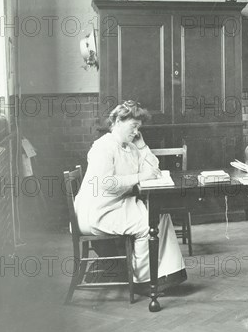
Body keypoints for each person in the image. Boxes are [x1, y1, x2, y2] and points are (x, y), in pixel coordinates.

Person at [74, 100, 186, 289]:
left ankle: (168, 274)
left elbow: (154, 169)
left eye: (138, 128)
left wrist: (142, 146)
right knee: (147, 225)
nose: (136, 132)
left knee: (161, 217)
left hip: (117, 204)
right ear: (117, 121)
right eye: (133, 126)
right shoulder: (103, 147)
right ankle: (142, 281)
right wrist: (142, 176)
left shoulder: (131, 146)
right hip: (97, 211)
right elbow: (106, 184)